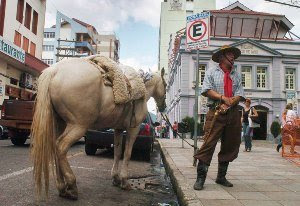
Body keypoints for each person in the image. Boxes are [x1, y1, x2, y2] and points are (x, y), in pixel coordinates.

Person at [193, 45, 245, 191]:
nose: (233, 57)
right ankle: (200, 179)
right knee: (208, 143)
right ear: (222, 57)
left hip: (232, 113)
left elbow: (239, 93)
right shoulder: (210, 72)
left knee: (230, 145)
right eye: (230, 54)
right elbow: (207, 90)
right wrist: (222, 98)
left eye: (233, 54)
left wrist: (230, 102)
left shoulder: (236, 74)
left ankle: (221, 177)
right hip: (215, 112)